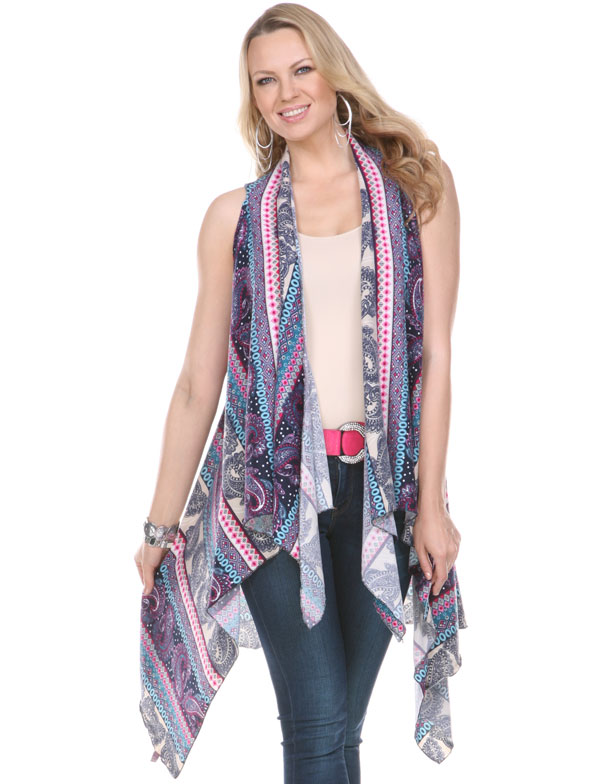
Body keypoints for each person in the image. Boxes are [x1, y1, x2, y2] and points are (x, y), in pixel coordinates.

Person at [135, 4, 463, 782]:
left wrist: (432, 507)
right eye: (265, 80)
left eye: (301, 70)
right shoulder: (235, 219)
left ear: (333, 72)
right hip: (268, 499)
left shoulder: (417, 188)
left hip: (383, 493)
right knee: (317, 723)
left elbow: (437, 356)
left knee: (340, 729)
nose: (286, 93)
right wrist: (159, 526)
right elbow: (197, 385)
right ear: (252, 97)